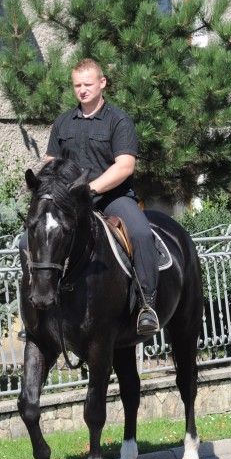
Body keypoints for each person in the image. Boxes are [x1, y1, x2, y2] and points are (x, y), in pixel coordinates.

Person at [43, 58, 161, 337]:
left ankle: (147, 305)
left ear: (102, 83)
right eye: (77, 85)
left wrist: (90, 189)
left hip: (113, 199)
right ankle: (42, 307)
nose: (82, 90)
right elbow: (51, 161)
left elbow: (125, 166)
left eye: (88, 84)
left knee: (142, 234)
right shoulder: (63, 122)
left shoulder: (118, 120)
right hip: (71, 203)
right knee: (37, 238)